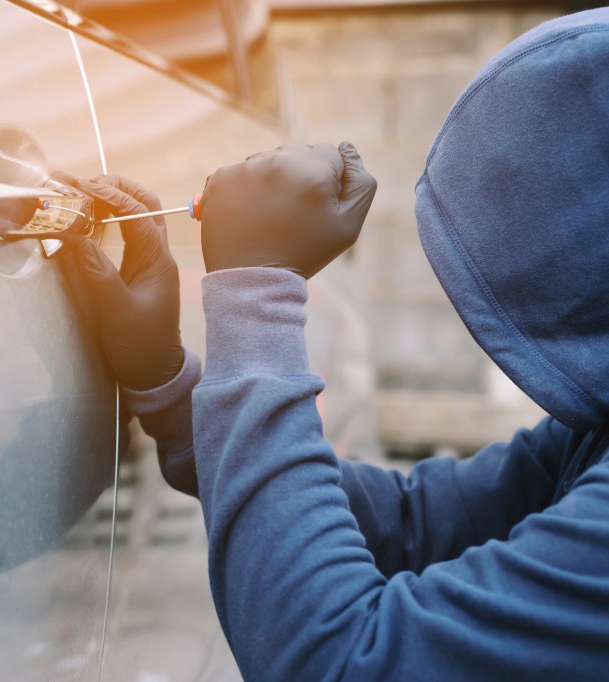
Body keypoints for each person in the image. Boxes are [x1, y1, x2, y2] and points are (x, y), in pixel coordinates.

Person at [69, 8, 609, 680]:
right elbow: (412, 525)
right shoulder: (592, 438)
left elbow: (340, 662)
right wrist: (170, 388)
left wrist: (256, 290)